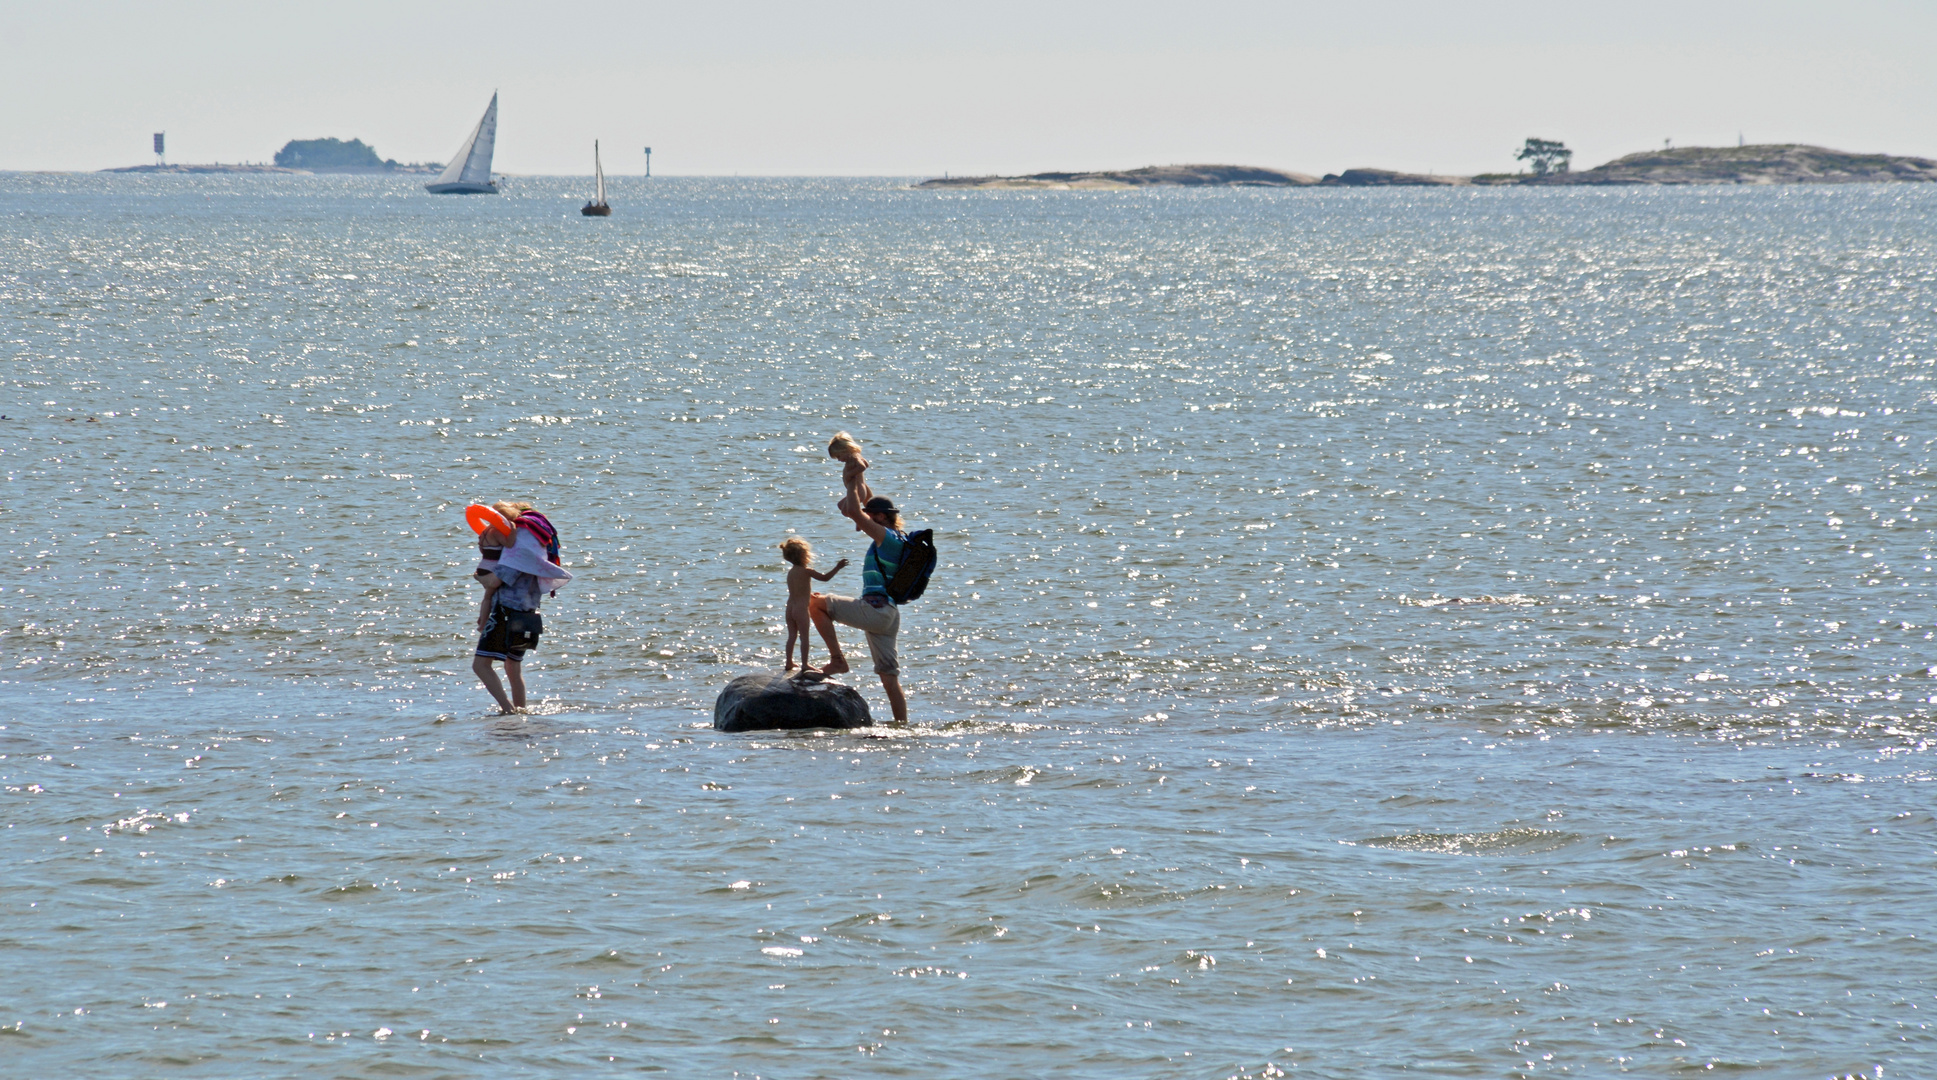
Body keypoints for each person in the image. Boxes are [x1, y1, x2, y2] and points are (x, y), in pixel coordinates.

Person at [809, 495, 910, 723]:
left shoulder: (886, 538)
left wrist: (857, 504)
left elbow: (853, 510)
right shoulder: (897, 537)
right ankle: (902, 727)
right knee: (889, 677)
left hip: (875, 611)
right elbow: (851, 504)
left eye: (870, 514)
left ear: (881, 517)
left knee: (815, 603)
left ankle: (837, 660)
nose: (865, 519)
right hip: (889, 614)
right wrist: (855, 470)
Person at [473, 508, 572, 714]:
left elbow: (494, 581)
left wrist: (478, 576)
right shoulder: (535, 555)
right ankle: (520, 711)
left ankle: (508, 711)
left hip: (507, 614)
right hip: (528, 616)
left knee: (480, 665)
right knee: (513, 666)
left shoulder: (516, 557)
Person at [779, 537, 848, 672]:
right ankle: (805, 664)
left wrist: (809, 594)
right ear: (803, 556)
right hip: (801, 610)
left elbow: (797, 590)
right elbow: (825, 578)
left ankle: (789, 662)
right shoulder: (807, 571)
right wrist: (837, 567)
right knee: (804, 637)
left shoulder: (791, 572)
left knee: (792, 636)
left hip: (790, 608)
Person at [828, 431, 873, 530]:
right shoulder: (853, 457)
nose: (839, 460)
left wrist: (850, 474)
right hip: (857, 490)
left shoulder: (854, 456)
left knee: (845, 510)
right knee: (841, 505)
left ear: (846, 450)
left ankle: (861, 519)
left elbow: (863, 466)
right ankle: (860, 518)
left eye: (839, 456)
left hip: (858, 491)